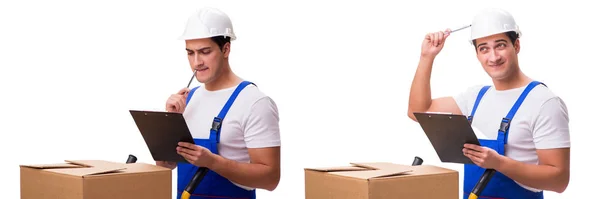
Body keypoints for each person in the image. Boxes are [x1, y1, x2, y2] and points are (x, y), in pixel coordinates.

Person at [406, 8, 570, 199]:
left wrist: (499, 163)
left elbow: (559, 181)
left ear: (516, 45)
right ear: (477, 54)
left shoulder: (544, 103)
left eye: (500, 45)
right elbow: (418, 111)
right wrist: (427, 57)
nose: (493, 57)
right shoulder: (476, 97)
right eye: (484, 48)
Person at [156, 7, 281, 199]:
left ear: (226, 49)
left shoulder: (254, 102)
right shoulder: (188, 100)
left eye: (205, 52)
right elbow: (166, 166)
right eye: (190, 53)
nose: (196, 62)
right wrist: (169, 124)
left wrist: (212, 162)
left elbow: (270, 179)